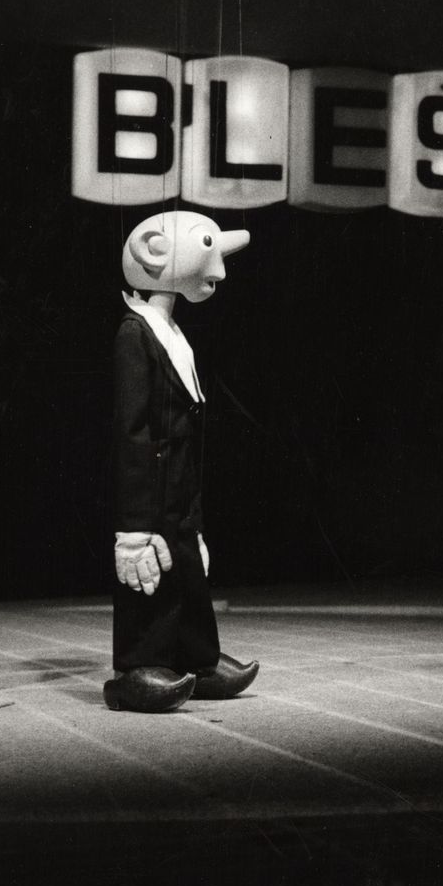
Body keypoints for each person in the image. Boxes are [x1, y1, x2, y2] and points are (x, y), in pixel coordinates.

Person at [107, 211, 260, 713]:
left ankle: (198, 657)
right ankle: (137, 666)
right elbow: (131, 431)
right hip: (149, 483)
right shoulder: (136, 332)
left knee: (188, 565)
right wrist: (133, 526)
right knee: (148, 572)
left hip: (179, 480)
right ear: (154, 251)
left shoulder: (170, 331)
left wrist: (193, 512)